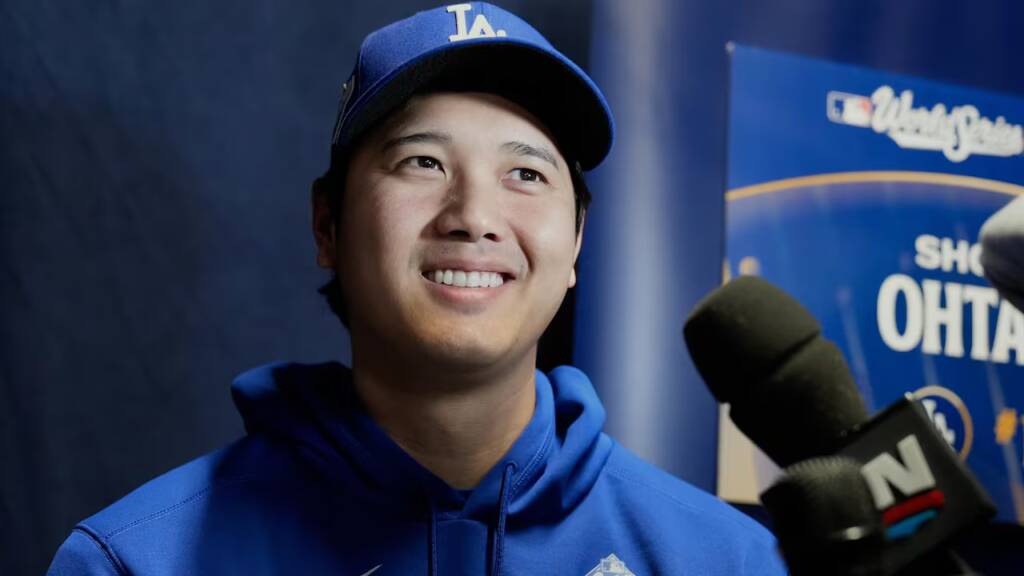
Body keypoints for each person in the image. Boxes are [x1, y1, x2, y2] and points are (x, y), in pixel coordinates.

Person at [48, 3, 787, 574]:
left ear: (576, 247)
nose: (473, 216)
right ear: (327, 224)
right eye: (422, 162)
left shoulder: (725, 559)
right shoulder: (138, 560)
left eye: (525, 174)